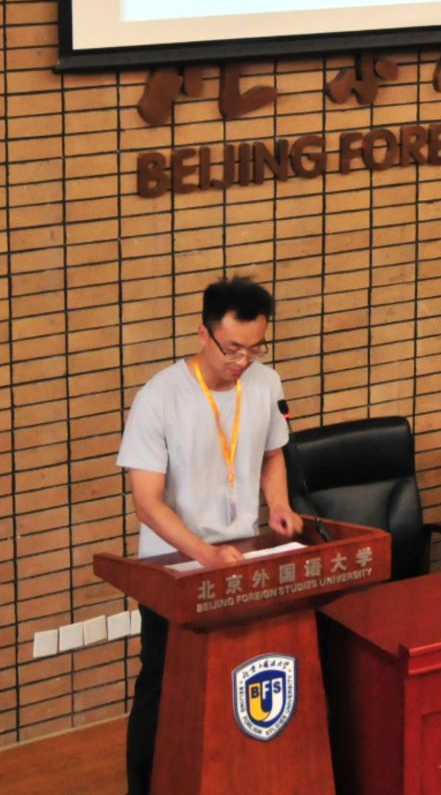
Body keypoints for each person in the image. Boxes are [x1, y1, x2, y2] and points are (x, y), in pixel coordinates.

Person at [116, 276, 302, 795]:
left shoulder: (265, 383)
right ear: (204, 334)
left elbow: (272, 454)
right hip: (174, 569)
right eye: (233, 349)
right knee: (164, 684)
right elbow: (147, 503)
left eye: (255, 348)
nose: (243, 361)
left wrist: (279, 505)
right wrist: (204, 555)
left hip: (242, 557)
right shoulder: (159, 398)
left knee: (237, 675)